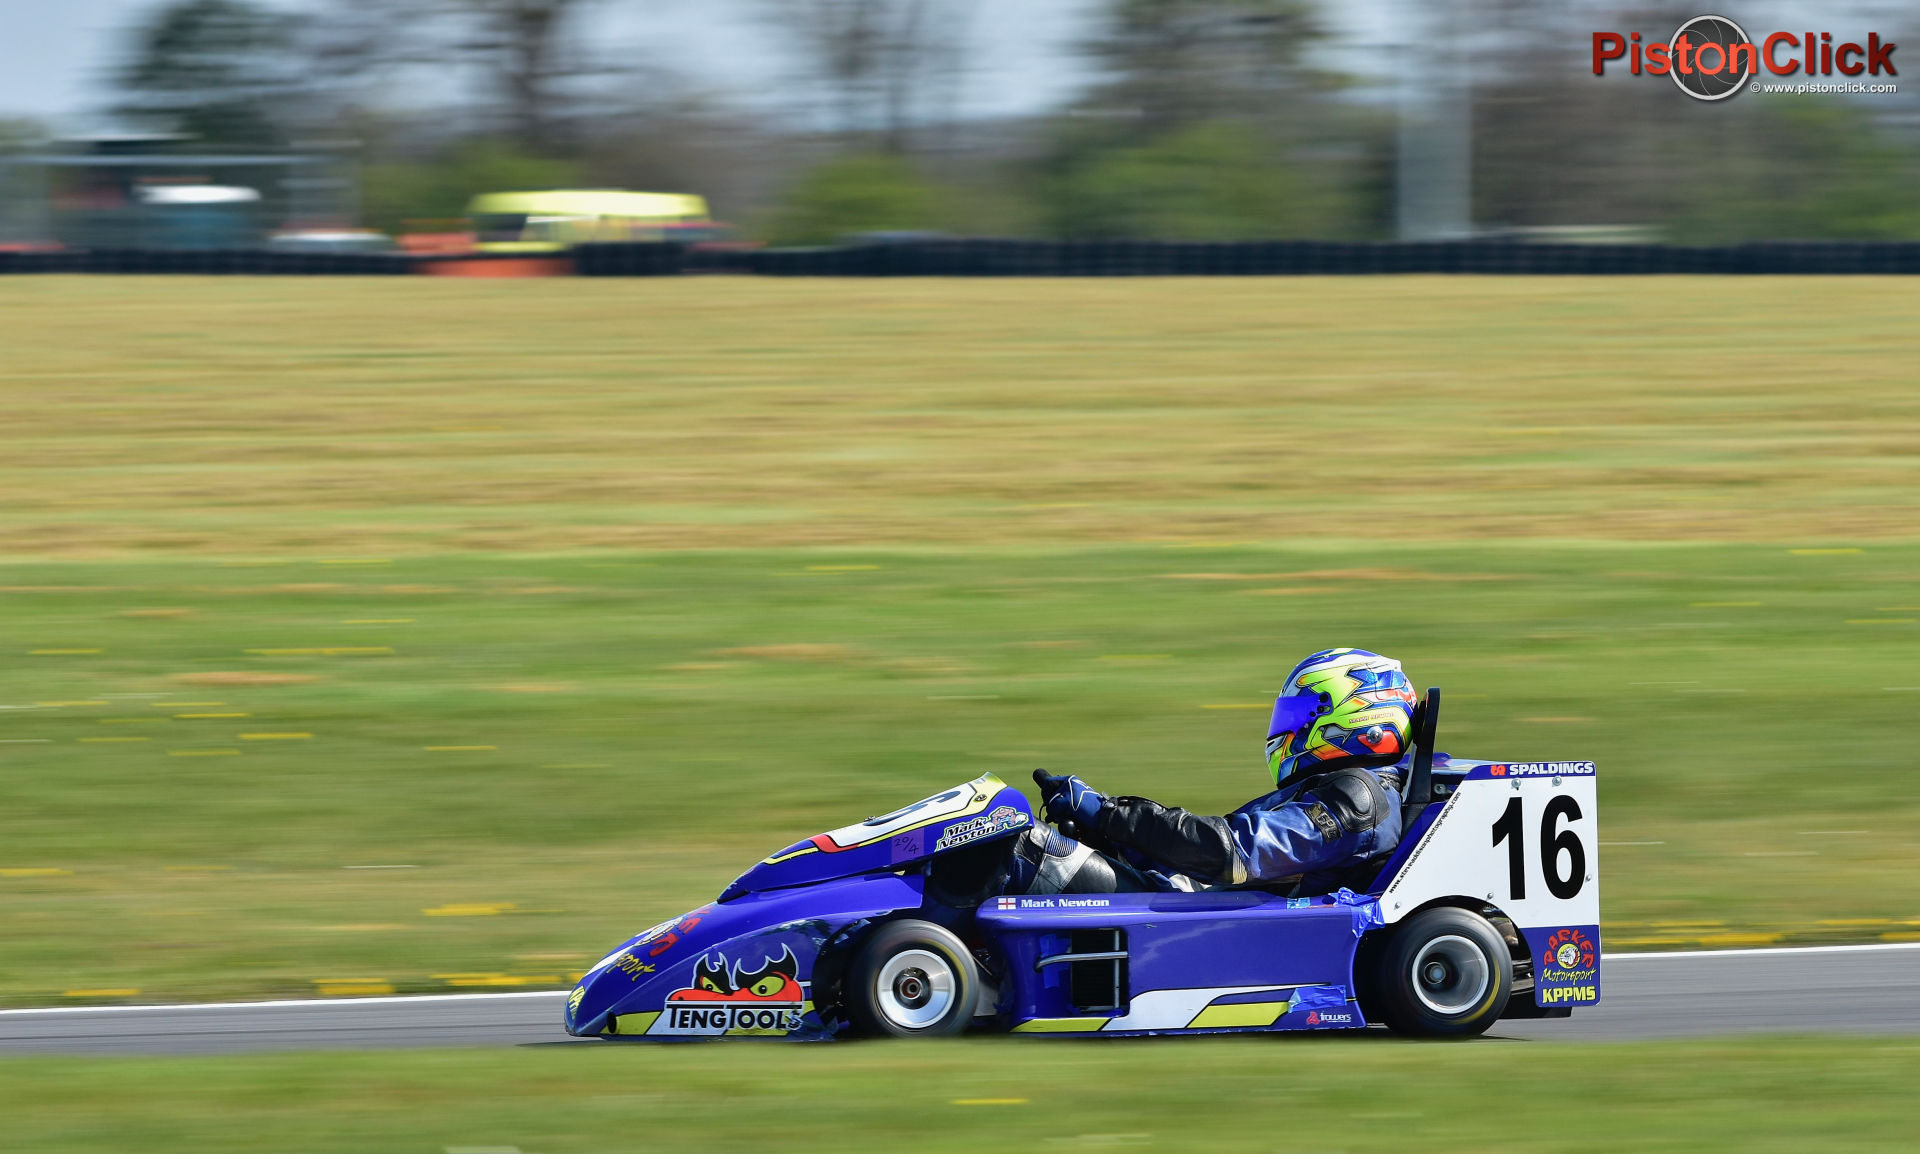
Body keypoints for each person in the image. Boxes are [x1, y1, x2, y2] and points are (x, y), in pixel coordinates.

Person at [998, 648, 1415, 897]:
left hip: (1192, 916)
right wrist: (1107, 832)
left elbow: (1228, 853)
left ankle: (936, 962)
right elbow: (1197, 854)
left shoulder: (1357, 800)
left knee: (1019, 843)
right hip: (1181, 899)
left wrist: (1110, 813)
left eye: (1303, 713)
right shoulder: (1336, 790)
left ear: (1361, 716)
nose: (1289, 726)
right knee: (1005, 824)